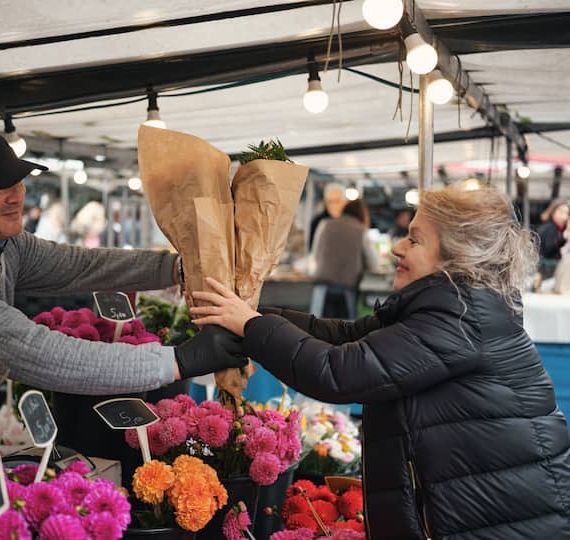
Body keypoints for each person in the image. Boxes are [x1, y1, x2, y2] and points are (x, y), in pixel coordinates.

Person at [189, 183, 570, 540]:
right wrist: (248, 311)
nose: (397, 248)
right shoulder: (448, 307)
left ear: (455, 257)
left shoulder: (459, 319)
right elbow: (342, 337)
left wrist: (252, 325)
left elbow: (338, 372)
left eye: (414, 240)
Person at [0, 126, 246, 450]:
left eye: (17, 180)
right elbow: (36, 353)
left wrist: (177, 267)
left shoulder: (1, 242)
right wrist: (179, 360)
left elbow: (80, 265)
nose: (16, 194)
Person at [312, 198, 377, 318]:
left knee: (317, 328)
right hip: (347, 289)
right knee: (345, 330)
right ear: (362, 214)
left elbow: (315, 254)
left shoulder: (325, 225)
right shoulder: (361, 231)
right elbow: (373, 263)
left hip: (322, 287)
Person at [308, 182, 346, 250]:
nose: (334, 205)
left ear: (344, 201)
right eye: (330, 201)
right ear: (326, 203)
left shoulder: (350, 222)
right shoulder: (317, 222)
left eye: (337, 201)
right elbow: (312, 249)